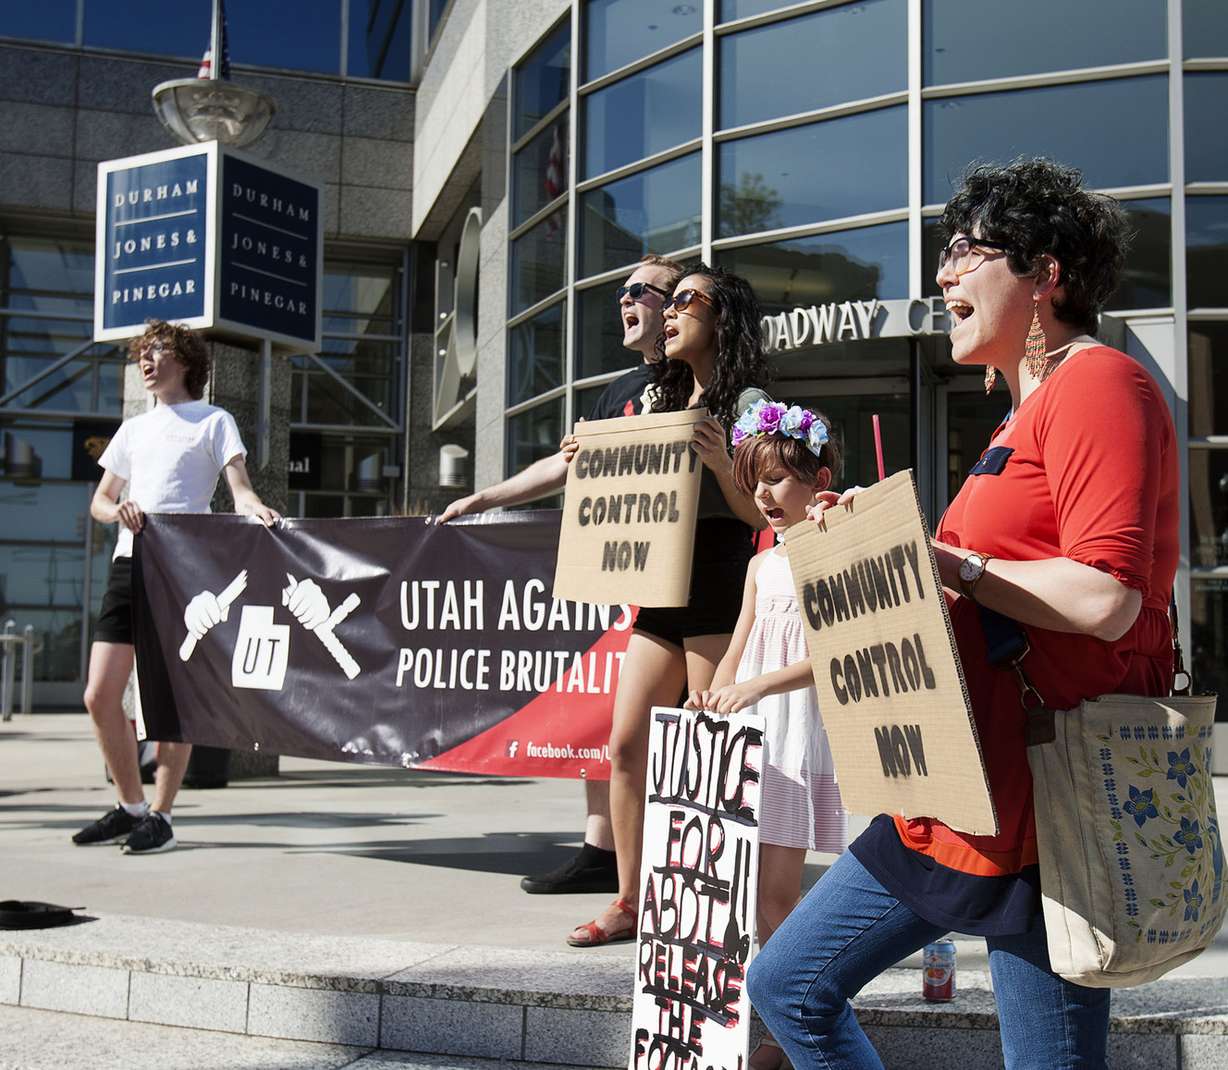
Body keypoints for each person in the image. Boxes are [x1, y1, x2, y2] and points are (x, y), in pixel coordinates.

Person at [746, 157, 1179, 1069]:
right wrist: (875, 557)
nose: (942, 275)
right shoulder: (1021, 413)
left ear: (1045, 273)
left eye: (966, 252)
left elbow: (1106, 599)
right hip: (958, 792)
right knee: (788, 984)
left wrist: (945, 560)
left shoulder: (1099, 385)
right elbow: (980, 580)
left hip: (1043, 804)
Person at [436, 253, 686, 895]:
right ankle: (601, 852)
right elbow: (568, 466)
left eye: (641, 291)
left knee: (678, 730)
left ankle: (673, 862)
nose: (625, 300)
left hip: (690, 584)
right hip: (629, 584)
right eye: (620, 290)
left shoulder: (699, 380)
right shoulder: (616, 392)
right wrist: (485, 498)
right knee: (609, 720)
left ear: (676, 305)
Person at [568, 264, 770, 946]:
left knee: (711, 750)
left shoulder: (747, 404)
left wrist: (720, 463)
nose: (674, 311)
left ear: (721, 319)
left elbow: (759, 514)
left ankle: (714, 906)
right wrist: (591, 459)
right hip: (660, 582)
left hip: (717, 572)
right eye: (673, 299)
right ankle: (630, 900)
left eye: (690, 300)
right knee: (628, 745)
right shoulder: (658, 397)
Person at [72, 320, 280, 855]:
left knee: (170, 702)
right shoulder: (133, 429)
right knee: (99, 696)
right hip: (130, 563)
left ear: (185, 361)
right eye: (141, 354)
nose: (145, 361)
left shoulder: (214, 421)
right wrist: (115, 509)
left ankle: (161, 815)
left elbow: (240, 491)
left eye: (156, 351)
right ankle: (131, 806)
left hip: (184, 571)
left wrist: (257, 511)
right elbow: (99, 502)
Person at [686, 399, 848, 1070]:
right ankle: (778, 1011)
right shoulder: (762, 563)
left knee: (774, 896)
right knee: (742, 889)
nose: (764, 495)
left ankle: (791, 1027)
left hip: (789, 734)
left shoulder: (834, 554)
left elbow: (832, 654)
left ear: (820, 477)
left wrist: (753, 687)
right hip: (748, 737)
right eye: (755, 482)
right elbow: (738, 645)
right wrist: (716, 691)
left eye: (778, 478)